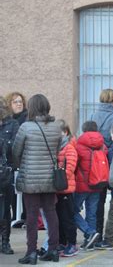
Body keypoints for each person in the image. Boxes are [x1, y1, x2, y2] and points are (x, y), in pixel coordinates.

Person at [13, 94, 62, 264]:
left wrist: (23, 165)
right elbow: (58, 151)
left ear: (32, 108)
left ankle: (31, 253)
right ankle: (54, 250)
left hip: (30, 179)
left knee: (32, 216)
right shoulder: (57, 127)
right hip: (50, 177)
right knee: (51, 212)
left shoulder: (25, 127)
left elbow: (16, 152)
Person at [90, 89, 113, 246]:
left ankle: (95, 234)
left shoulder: (93, 115)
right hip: (108, 160)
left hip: (94, 161)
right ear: (111, 101)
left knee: (97, 200)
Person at [74, 121, 107, 251]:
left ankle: (89, 232)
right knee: (92, 213)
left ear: (84, 130)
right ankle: (90, 242)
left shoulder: (79, 146)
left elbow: (75, 166)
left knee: (72, 211)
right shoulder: (102, 146)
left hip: (82, 186)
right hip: (98, 184)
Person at [55, 119, 79, 257]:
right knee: (58, 218)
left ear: (65, 132)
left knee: (67, 218)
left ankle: (71, 244)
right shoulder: (58, 147)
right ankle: (62, 243)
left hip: (66, 189)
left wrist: (57, 174)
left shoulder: (69, 148)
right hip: (57, 189)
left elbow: (69, 168)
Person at [5, 92, 28, 227]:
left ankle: (23, 217)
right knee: (12, 192)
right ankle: (15, 216)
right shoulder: (7, 121)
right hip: (10, 162)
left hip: (22, 160)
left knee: (23, 191)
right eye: (15, 102)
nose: (19, 104)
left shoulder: (26, 119)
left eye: (20, 101)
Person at [0, 97, 19, 255]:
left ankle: (5, 242)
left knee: (5, 209)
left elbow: (14, 146)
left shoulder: (12, 124)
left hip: (5, 173)